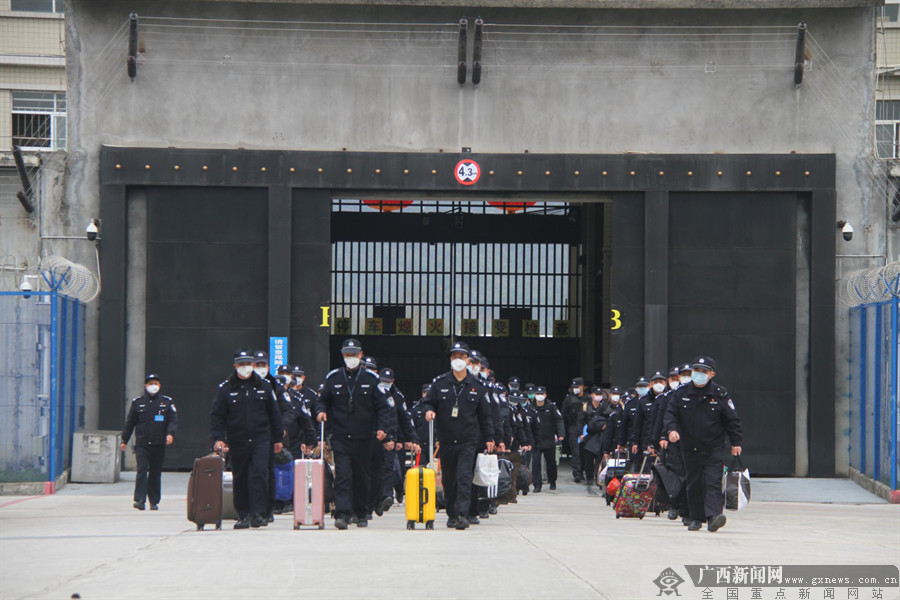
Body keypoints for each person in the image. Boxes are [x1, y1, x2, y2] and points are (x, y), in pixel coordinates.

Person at [315, 339, 391, 530]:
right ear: (342, 355)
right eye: (347, 354)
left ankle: (361, 512)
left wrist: (383, 428)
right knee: (342, 475)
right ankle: (342, 513)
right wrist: (321, 411)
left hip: (365, 437)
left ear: (360, 355)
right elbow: (322, 401)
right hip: (340, 436)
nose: (351, 358)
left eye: (354, 354)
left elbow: (383, 407)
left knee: (361, 476)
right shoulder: (333, 378)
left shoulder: (371, 379)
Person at [664, 356, 743, 533]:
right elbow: (670, 415)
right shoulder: (681, 393)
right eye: (696, 370)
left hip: (713, 447)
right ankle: (696, 518)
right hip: (689, 446)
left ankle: (714, 516)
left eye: (703, 371)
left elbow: (732, 420)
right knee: (694, 483)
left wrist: (736, 442)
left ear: (712, 374)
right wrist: (671, 430)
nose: (698, 374)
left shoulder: (720, 394)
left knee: (712, 481)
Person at [422, 341, 495, 530]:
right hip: (446, 440)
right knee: (449, 479)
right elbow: (428, 402)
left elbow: (485, 416)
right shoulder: (440, 383)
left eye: (461, 357)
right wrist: (429, 411)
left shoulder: (477, 386)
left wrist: (489, 438)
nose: (458, 360)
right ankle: (451, 514)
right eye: (454, 356)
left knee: (464, 477)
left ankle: (463, 514)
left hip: (468, 440)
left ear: (468, 360)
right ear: (450, 359)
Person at [210, 349, 284, 529]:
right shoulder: (226, 388)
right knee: (241, 477)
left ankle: (258, 513)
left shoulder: (264, 386)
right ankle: (243, 514)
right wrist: (218, 438)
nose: (245, 368)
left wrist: (277, 438)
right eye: (241, 364)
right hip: (237, 439)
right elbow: (217, 416)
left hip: (261, 437)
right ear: (235, 366)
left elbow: (274, 414)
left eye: (248, 364)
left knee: (260, 474)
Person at [120, 374, 177, 511]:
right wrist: (124, 440)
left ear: (159, 385)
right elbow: (130, 423)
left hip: (158, 444)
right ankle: (140, 500)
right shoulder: (138, 402)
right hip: (142, 444)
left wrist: (170, 434)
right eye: (150, 383)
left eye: (156, 383)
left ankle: (154, 501)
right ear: (145, 386)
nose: (153, 386)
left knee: (155, 473)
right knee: (141, 470)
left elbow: (172, 421)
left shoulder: (166, 402)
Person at [530, 385, 564, 492]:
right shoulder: (530, 407)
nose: (539, 396)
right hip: (536, 439)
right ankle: (537, 485)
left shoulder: (551, 407)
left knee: (551, 462)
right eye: (537, 394)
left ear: (545, 395)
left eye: (541, 394)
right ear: (534, 395)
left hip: (548, 438)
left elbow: (559, 420)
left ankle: (552, 481)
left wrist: (560, 434)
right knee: (536, 462)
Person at [578, 386, 608, 485]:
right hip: (588, 434)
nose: (598, 397)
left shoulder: (604, 406)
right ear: (591, 395)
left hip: (600, 435)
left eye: (600, 395)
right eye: (596, 394)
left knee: (599, 458)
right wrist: (580, 434)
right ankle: (589, 477)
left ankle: (597, 477)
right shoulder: (586, 406)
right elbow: (580, 421)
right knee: (588, 459)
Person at [560, 377, 587, 482]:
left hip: (584, 428)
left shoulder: (587, 398)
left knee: (584, 451)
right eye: (574, 387)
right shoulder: (569, 398)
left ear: (582, 387)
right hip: (573, 426)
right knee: (575, 452)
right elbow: (563, 414)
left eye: (577, 386)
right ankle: (576, 473)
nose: (575, 389)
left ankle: (582, 472)